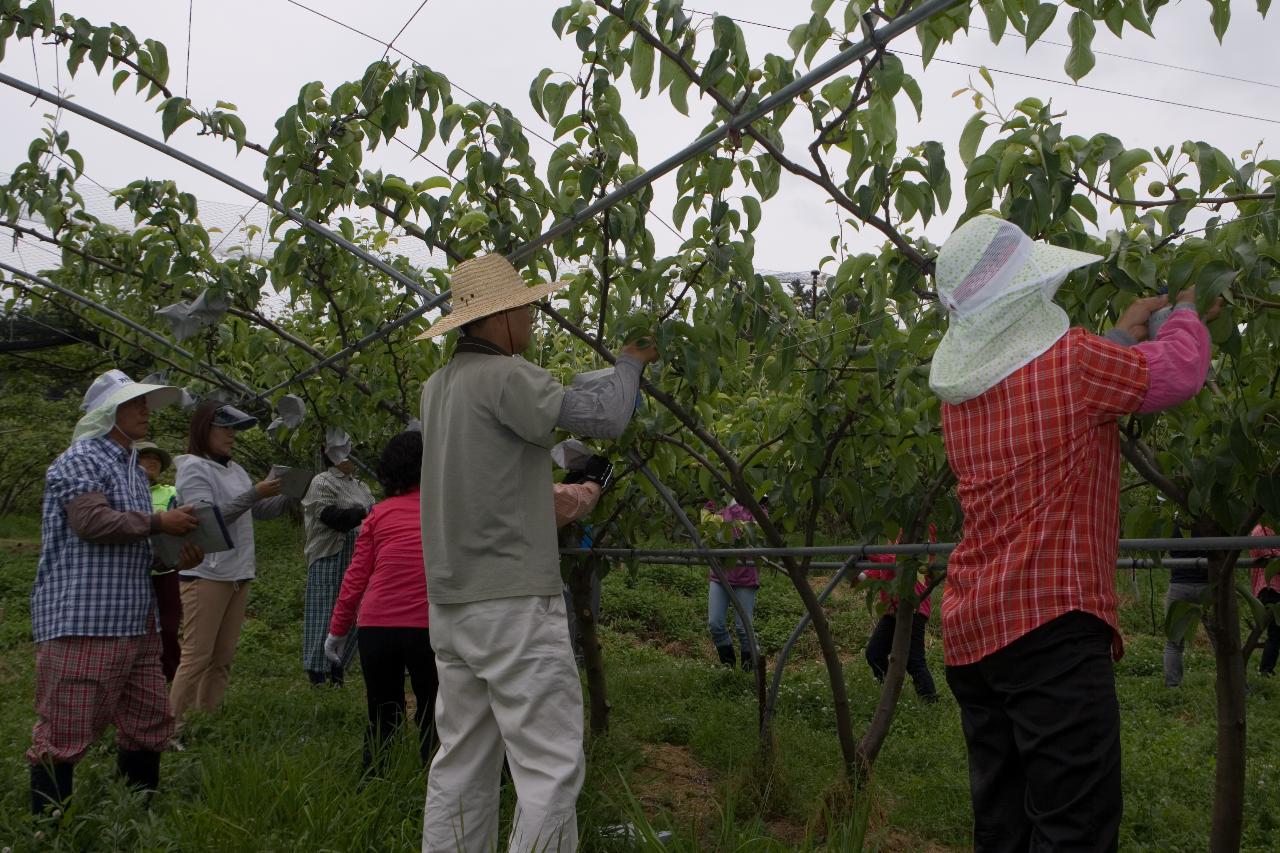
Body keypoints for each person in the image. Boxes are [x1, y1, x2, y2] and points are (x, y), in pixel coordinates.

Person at [928, 215, 1218, 851]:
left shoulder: (961, 399)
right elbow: (1179, 372)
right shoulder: (1079, 365)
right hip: (1050, 632)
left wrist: (1121, 333)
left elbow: (1052, 398)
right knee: (1074, 833)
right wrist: (1185, 314)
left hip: (974, 633)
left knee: (1004, 829)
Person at [418, 253, 659, 853]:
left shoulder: (438, 388)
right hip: (514, 604)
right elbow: (605, 418)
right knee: (549, 766)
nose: (532, 317)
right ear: (500, 316)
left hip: (452, 600)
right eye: (526, 306)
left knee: (462, 760)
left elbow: (493, 479)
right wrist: (630, 363)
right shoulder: (507, 376)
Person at [27, 370, 202, 814]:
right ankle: (50, 827)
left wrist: (173, 556)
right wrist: (160, 523)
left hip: (135, 619)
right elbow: (91, 523)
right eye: (134, 403)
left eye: (146, 402)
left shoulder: (134, 471)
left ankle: (135, 814)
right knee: (65, 726)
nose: (146, 410)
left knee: (148, 720)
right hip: (83, 620)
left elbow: (139, 547)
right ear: (108, 412)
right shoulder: (81, 459)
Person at [168, 401, 291, 724]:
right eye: (223, 428)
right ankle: (169, 726)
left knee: (222, 658)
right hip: (207, 572)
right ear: (203, 429)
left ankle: (205, 721)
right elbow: (208, 519)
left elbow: (258, 511)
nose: (231, 436)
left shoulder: (234, 469)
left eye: (233, 429)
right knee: (197, 656)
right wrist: (255, 493)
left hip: (237, 572)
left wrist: (288, 493)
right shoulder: (194, 468)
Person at [325, 430, 435, 773]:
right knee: (434, 709)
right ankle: (437, 781)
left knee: (382, 710)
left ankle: (374, 780)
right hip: (428, 627)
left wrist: (337, 631)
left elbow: (356, 578)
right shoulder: (444, 514)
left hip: (376, 627)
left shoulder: (379, 514)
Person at [302, 429, 374, 686]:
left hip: (357, 556)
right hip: (330, 555)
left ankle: (338, 669)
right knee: (324, 612)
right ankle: (317, 672)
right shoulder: (322, 482)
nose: (351, 455)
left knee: (354, 613)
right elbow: (334, 519)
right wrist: (363, 512)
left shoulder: (361, 486)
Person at [860, 526, 939, 702]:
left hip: (913, 608)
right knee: (874, 653)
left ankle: (930, 701)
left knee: (914, 659)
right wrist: (859, 574)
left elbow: (901, 560)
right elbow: (881, 568)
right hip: (892, 610)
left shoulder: (920, 531)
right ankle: (892, 692)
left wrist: (868, 553)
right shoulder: (892, 542)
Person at [135, 441, 184, 683]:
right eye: (146, 457)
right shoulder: (125, 491)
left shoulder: (170, 493)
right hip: (133, 572)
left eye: (156, 458)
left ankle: (171, 675)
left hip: (166, 572)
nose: (152, 461)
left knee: (167, 627)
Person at [702, 499, 762, 672]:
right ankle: (728, 669)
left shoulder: (757, 510)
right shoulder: (719, 507)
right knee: (715, 624)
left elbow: (756, 531)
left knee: (743, 628)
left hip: (745, 576)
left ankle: (749, 672)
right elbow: (707, 525)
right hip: (720, 574)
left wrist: (735, 511)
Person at [1163, 523, 1212, 687]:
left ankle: (1172, 685)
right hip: (1208, 585)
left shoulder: (1175, 525)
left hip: (1180, 584)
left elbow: (1169, 550)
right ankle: (1235, 683)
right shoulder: (1208, 523)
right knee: (1222, 639)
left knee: (1174, 641)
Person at [1250, 523, 1280, 676]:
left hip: (1272, 587)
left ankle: (1267, 668)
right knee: (1274, 631)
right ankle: (1266, 669)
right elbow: (1272, 559)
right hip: (1270, 588)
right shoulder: (1261, 531)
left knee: (1275, 632)